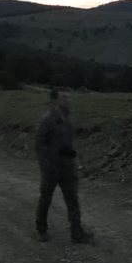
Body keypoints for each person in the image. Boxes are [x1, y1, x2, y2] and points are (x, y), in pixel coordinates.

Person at [35, 88, 89, 243]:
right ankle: (41, 229)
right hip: (51, 167)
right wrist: (46, 165)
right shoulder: (47, 120)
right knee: (46, 198)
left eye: (69, 98)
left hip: (67, 166)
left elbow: (71, 142)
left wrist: (74, 158)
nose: (68, 101)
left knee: (72, 199)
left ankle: (77, 232)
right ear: (56, 100)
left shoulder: (69, 120)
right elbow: (39, 144)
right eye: (64, 98)